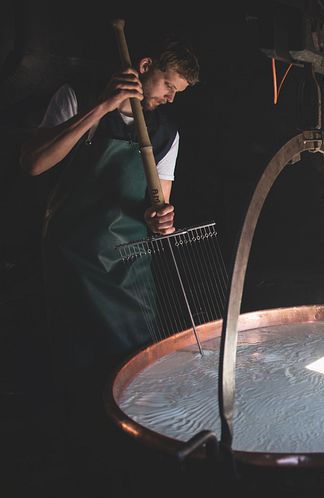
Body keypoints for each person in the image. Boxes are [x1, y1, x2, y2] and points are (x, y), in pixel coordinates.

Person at [18, 33, 200, 494]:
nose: (170, 97)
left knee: (132, 364)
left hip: (130, 267)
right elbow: (34, 163)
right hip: (73, 261)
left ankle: (127, 461)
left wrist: (163, 222)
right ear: (142, 67)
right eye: (166, 84)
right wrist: (100, 108)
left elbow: (159, 210)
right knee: (74, 366)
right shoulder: (77, 96)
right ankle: (80, 464)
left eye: (177, 92)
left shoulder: (165, 134)